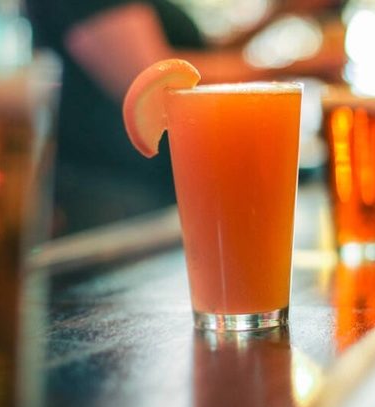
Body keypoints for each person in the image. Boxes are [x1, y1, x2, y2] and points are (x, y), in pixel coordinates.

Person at [25, 0, 345, 235]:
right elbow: (153, 75)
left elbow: (198, 55)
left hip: (138, 186)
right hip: (113, 188)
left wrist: (279, 14)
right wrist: (298, 67)